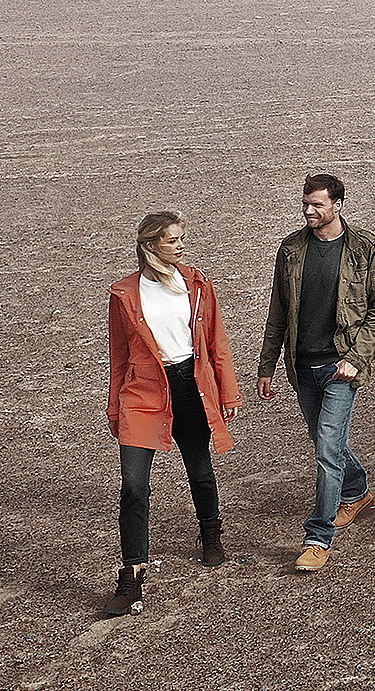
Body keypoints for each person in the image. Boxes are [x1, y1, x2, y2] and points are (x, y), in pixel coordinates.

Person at [105, 210, 242, 616]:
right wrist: (115, 407)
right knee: (133, 485)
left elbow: (216, 342)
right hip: (143, 391)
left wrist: (227, 393)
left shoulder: (196, 283)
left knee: (199, 469)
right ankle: (131, 576)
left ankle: (211, 534)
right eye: (172, 240)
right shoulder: (125, 294)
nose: (181, 246)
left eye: (182, 238)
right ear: (150, 246)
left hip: (191, 386)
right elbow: (118, 356)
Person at [257, 171, 375, 573]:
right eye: (305, 203)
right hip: (302, 366)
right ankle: (357, 491)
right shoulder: (291, 250)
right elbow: (278, 313)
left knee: (327, 450)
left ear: (337, 205)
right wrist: (267, 366)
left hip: (340, 367)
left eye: (317, 204)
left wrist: (356, 357)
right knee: (325, 442)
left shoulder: (365, 248)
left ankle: (317, 539)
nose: (309, 211)